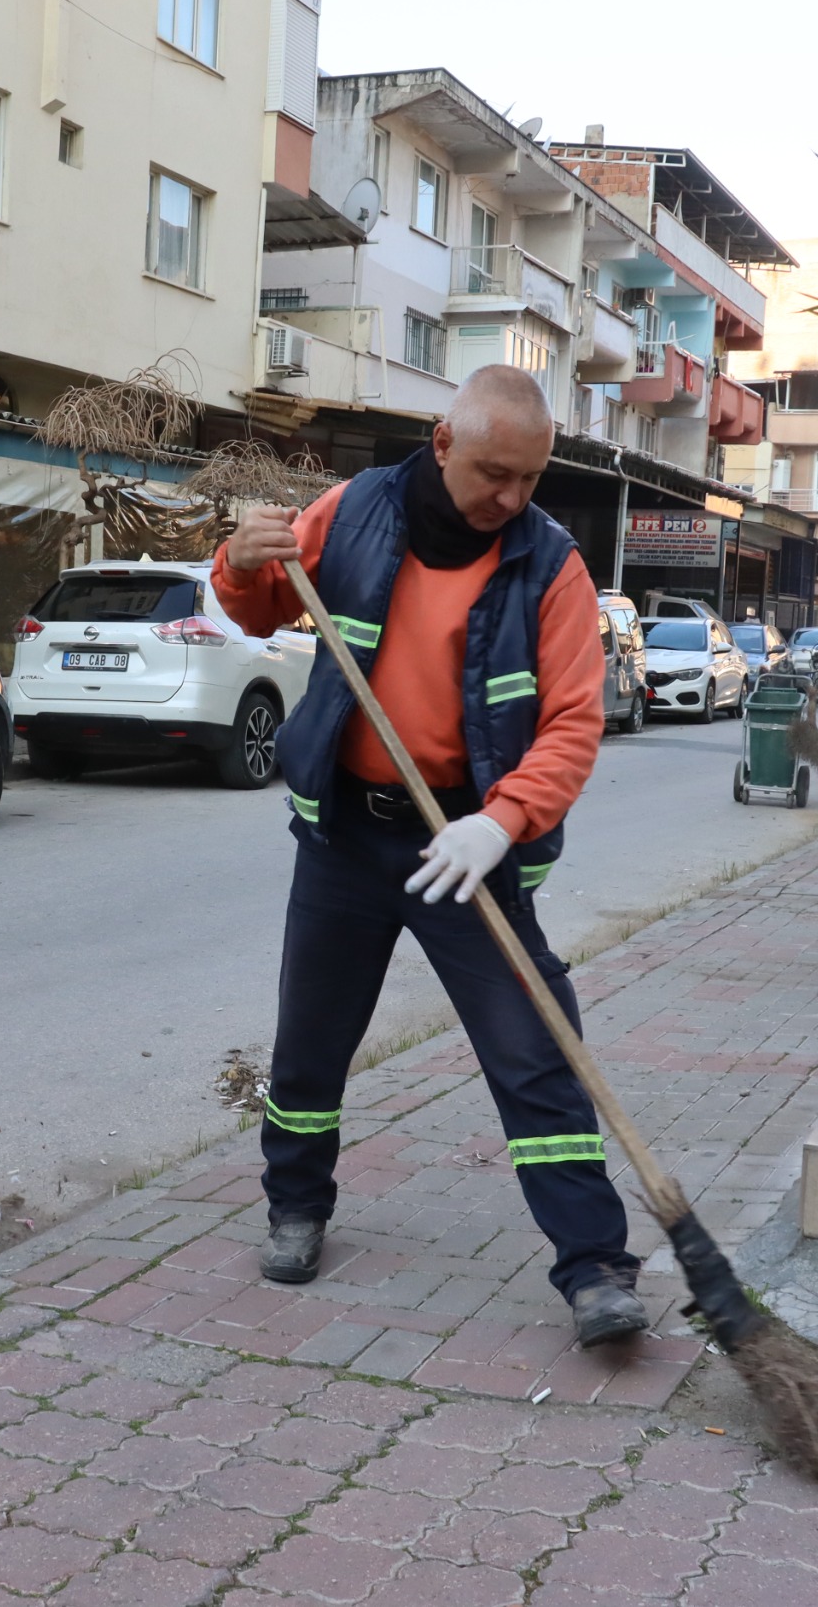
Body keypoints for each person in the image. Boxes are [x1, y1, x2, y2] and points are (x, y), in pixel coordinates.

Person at [212, 365, 647, 1347]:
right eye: (494, 472)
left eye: (529, 479)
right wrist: (242, 561)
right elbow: (259, 607)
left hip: (467, 845)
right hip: (346, 834)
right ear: (443, 444)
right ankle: (295, 1208)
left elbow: (573, 726)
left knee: (535, 1047)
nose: (510, 498)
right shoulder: (354, 512)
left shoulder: (551, 566)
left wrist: (501, 821)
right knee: (309, 1040)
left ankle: (593, 1264)